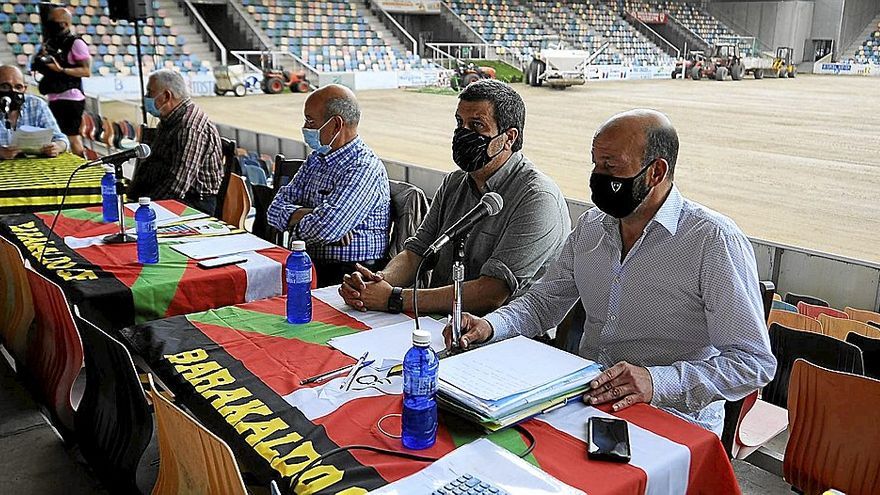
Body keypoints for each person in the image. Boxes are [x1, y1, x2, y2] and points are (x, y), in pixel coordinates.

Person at [445, 109, 776, 434]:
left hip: (670, 420)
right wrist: (490, 326)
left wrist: (656, 381)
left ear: (656, 172)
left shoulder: (712, 241)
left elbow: (751, 363)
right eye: (595, 163)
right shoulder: (591, 226)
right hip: (583, 403)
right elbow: (543, 303)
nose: (598, 175)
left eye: (610, 166)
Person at [340, 79, 569, 317]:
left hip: (504, 338)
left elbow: (491, 293)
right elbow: (417, 252)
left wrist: (395, 298)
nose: (463, 134)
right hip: (438, 323)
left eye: (477, 125)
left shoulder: (537, 198)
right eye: (460, 123)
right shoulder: (455, 182)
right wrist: (377, 282)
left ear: (509, 137)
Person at [267, 84, 390, 288]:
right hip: (311, 264)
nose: (305, 127)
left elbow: (326, 228)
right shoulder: (316, 159)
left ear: (335, 125)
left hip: (349, 276)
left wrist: (294, 221)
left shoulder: (363, 167)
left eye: (310, 121)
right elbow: (274, 209)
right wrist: (313, 214)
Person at [127, 69, 222, 215]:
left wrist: (145, 208)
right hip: (166, 193)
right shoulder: (169, 120)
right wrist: (132, 194)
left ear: (166, 96)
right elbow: (152, 163)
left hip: (194, 202)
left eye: (149, 93)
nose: (146, 98)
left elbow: (176, 185)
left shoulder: (190, 128)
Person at [31, 7, 91, 157]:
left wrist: (61, 69)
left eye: (53, 22)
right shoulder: (51, 43)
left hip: (71, 98)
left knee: (72, 138)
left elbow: (86, 71)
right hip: (54, 96)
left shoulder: (76, 43)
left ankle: (83, 168)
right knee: (59, 138)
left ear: (64, 23)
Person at [0, 65, 68, 160]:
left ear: (25, 89)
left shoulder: (37, 105)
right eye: (5, 86)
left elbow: (61, 139)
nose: (12, 91)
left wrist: (56, 147)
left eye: (18, 87)